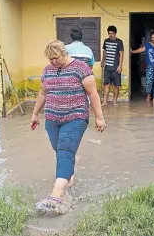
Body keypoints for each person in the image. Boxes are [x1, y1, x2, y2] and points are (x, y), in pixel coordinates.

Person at [30, 40, 106, 213]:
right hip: (52, 118)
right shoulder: (47, 70)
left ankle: (56, 196)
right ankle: (68, 177)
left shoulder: (81, 68)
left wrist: (99, 117)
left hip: (75, 116)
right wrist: (35, 114)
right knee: (60, 151)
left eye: (56, 58)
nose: (53, 62)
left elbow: (92, 93)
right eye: (50, 59)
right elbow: (43, 92)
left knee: (64, 150)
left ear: (64, 53)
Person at [130, 31, 154, 105]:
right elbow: (140, 50)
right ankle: (148, 95)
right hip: (150, 66)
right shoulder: (148, 45)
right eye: (151, 37)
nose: (152, 39)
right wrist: (132, 52)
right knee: (149, 82)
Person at [101, 25, 124, 107]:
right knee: (106, 84)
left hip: (116, 68)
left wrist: (120, 66)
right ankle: (104, 101)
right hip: (107, 67)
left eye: (112, 33)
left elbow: (121, 54)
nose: (111, 35)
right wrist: (102, 61)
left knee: (116, 85)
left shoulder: (119, 42)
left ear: (115, 33)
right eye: (109, 33)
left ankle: (115, 101)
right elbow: (105, 52)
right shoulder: (106, 41)